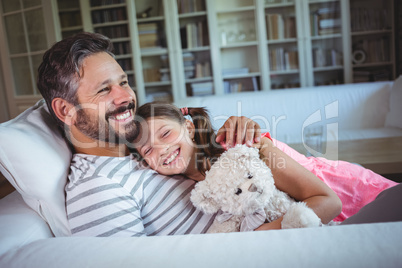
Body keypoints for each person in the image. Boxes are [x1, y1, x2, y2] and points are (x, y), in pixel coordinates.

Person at [36, 32, 262, 236]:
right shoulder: (98, 188)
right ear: (66, 110)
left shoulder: (136, 142)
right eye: (104, 89)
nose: (125, 96)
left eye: (123, 82)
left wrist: (237, 136)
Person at [133, 102, 399, 227]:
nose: (161, 150)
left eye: (165, 134)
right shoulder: (188, 185)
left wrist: (258, 236)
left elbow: (330, 202)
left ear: (189, 128)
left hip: (350, 194)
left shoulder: (242, 147)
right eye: (147, 150)